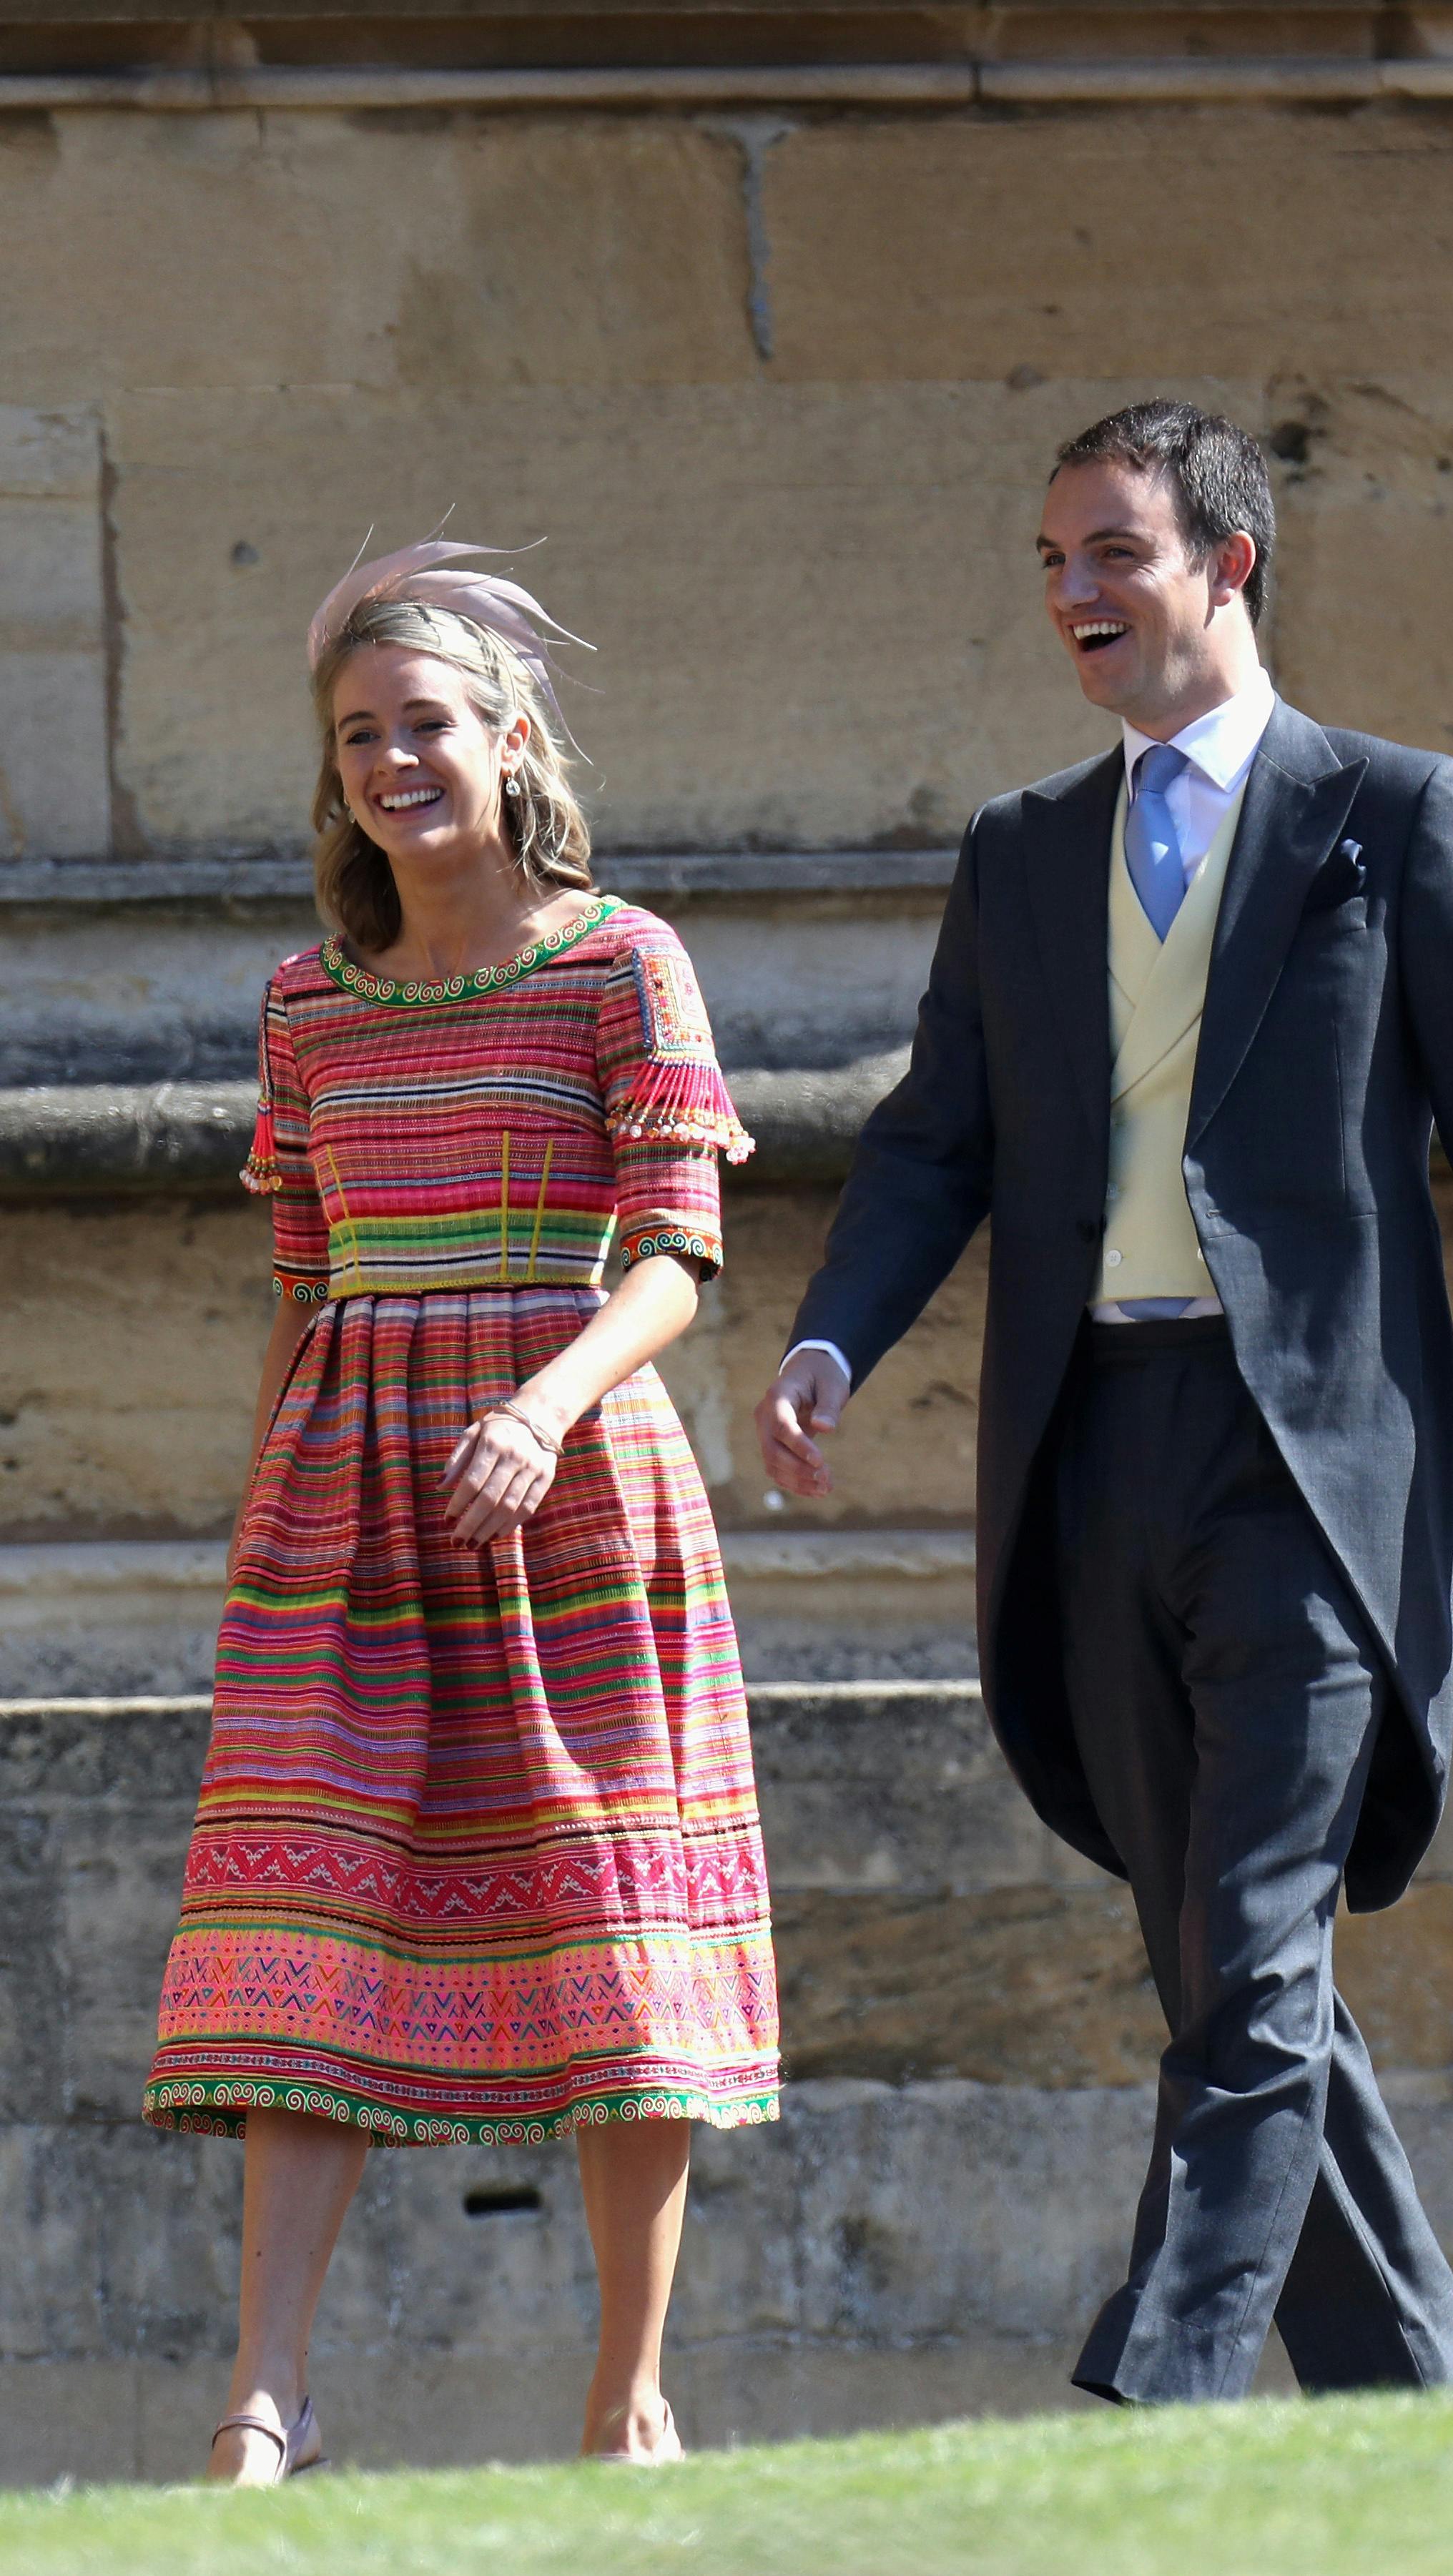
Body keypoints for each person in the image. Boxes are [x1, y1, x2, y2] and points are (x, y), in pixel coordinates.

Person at [756, 400, 1453, 2406]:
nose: (1075, 593)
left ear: (1229, 563)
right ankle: (1421, 2394)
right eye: (1053, 562)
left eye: (1113, 552)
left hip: (1312, 1461)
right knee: (1224, 1968)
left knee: (1251, 1943)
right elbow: (931, 1144)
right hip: (1088, 1454)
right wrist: (831, 1338)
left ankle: (1151, 2388)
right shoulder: (1020, 849)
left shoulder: (1399, 815)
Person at [144, 537, 779, 2480]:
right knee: (297, 1916)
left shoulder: (622, 960)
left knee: (614, 1919)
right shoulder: (306, 1005)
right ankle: (271, 2389)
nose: (391, 762)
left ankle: (631, 2391)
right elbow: (301, 1284)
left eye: (425, 724)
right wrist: (258, 1522)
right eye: (358, 736)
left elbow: (679, 1256)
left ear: (510, 740)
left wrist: (546, 1397)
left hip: (572, 1492)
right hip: (348, 1507)